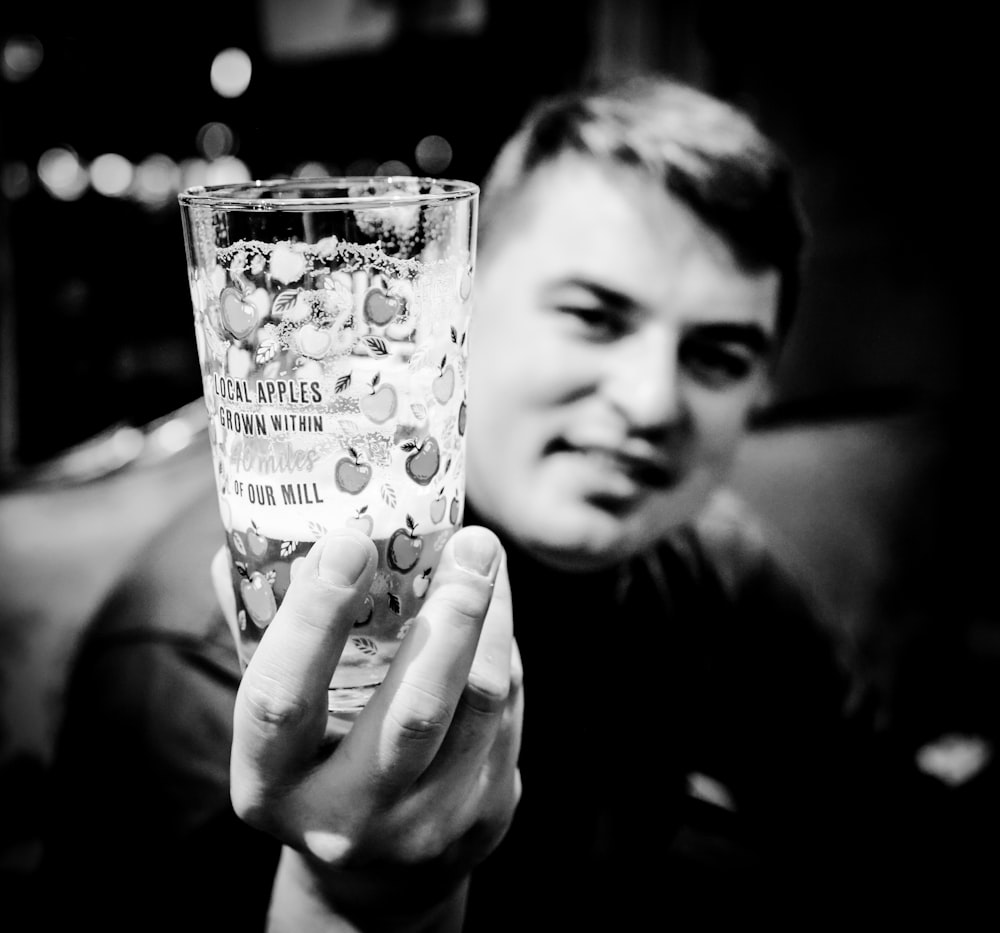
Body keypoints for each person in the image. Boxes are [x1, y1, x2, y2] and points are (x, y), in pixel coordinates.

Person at [31, 74, 958, 932]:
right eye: (593, 315)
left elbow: (880, 827)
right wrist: (351, 898)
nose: (651, 401)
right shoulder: (218, 657)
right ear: (456, 310)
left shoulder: (705, 558)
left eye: (718, 355)